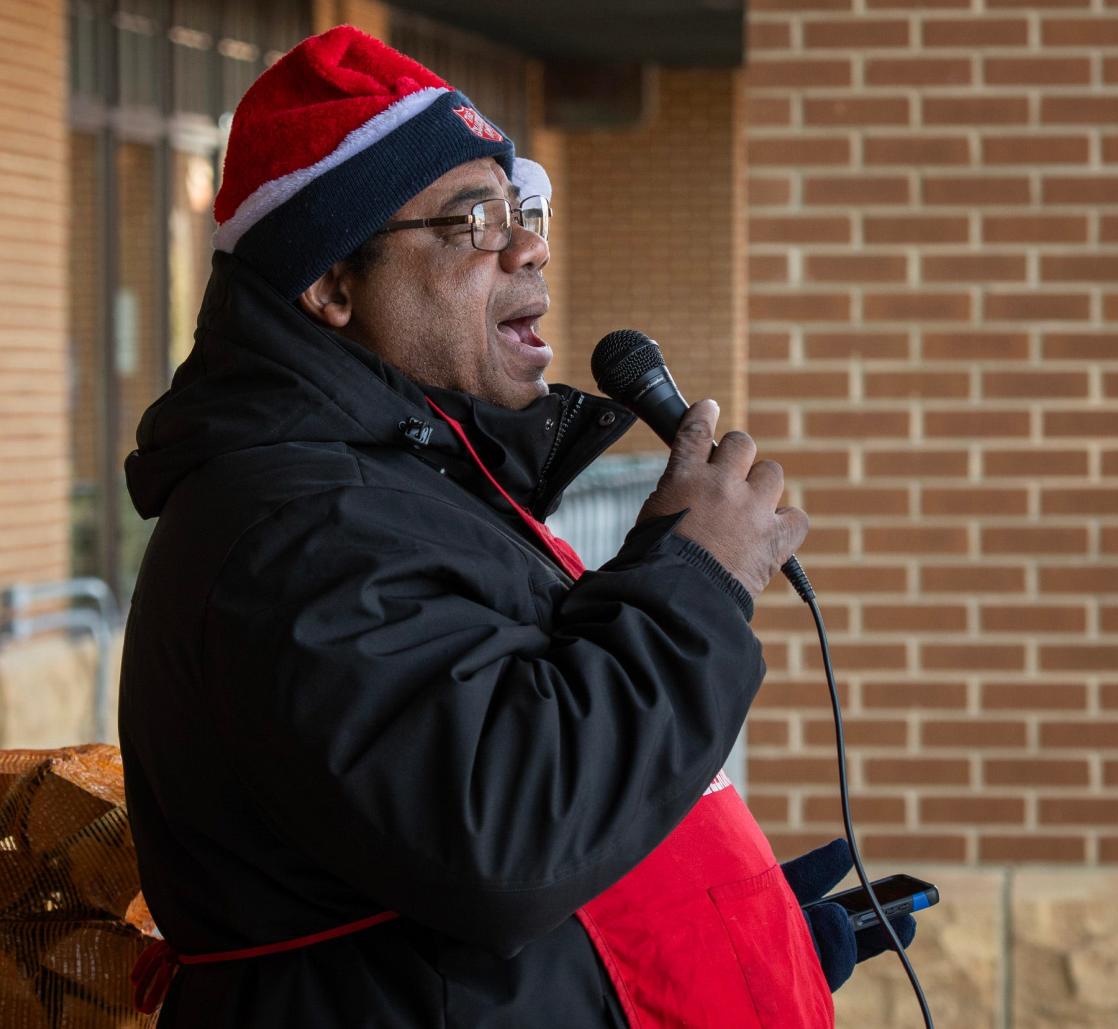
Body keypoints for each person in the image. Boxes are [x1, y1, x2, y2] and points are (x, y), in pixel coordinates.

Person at [120, 25, 914, 1028]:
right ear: (330, 284)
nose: (530, 243)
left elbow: (517, 794)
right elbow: (502, 838)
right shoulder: (291, 528)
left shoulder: (414, 490)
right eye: (472, 222)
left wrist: (724, 919)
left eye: (522, 206)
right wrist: (696, 581)